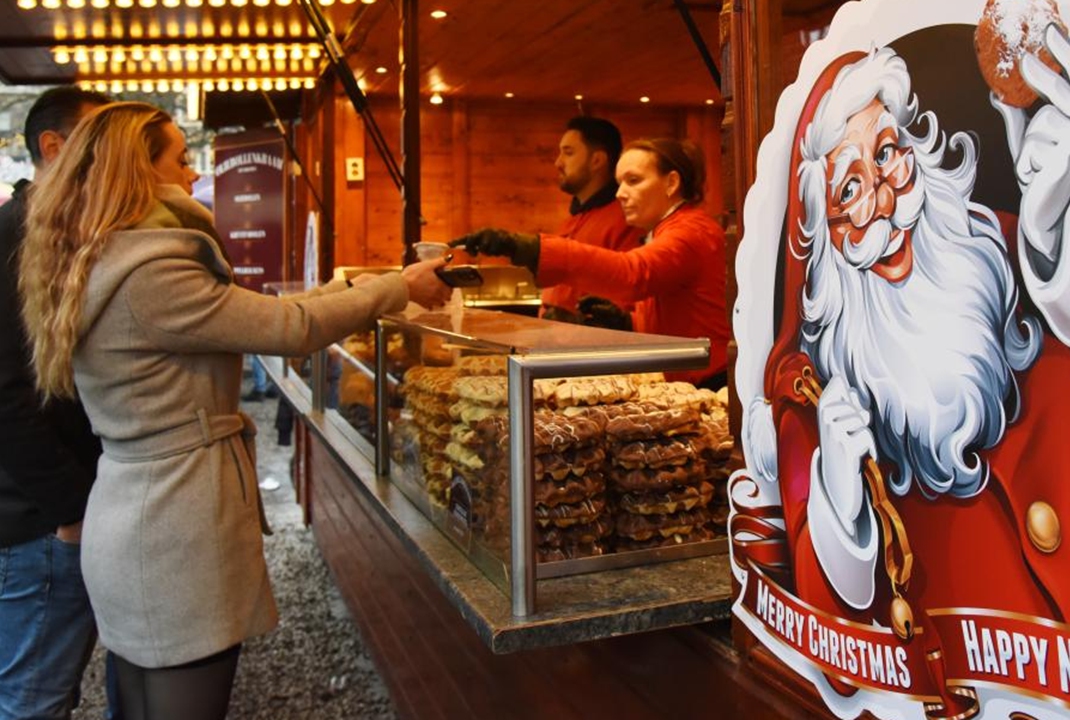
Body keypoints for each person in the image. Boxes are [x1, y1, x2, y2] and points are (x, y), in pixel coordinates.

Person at [738, 37, 1070, 714]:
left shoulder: (997, 249)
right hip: (1007, 687)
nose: (883, 198)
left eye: (886, 154)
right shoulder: (812, 396)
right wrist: (841, 504)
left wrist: (1061, 243)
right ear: (823, 232)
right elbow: (838, 651)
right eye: (850, 187)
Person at [18, 101, 453, 720]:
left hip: (136, 516)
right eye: (180, 156)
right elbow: (289, 327)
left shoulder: (105, 258)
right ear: (138, 173)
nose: (194, 171)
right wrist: (400, 287)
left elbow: (257, 314)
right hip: (171, 532)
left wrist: (363, 285)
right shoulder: (153, 273)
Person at [0, 85, 116, 720]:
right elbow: (5, 396)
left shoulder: (61, 235)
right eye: (100, 145)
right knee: (34, 701)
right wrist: (69, 509)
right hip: (39, 522)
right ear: (54, 147)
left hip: (55, 514)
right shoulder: (15, 238)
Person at [453, 138, 730, 388]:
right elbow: (678, 311)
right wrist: (627, 323)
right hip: (686, 378)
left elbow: (633, 275)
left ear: (671, 183)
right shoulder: (666, 229)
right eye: (620, 182)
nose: (620, 193)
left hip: (707, 382)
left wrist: (528, 247)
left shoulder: (691, 230)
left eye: (633, 180)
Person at [539, 116, 643, 320]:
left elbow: (627, 300)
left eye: (568, 153)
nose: (558, 162)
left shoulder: (626, 220)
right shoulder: (572, 221)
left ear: (597, 160)